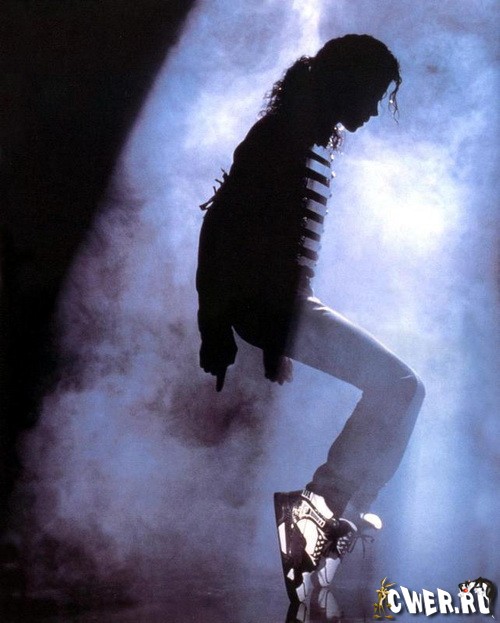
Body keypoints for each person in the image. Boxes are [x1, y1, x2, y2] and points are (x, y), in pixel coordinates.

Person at [196, 34, 425, 603]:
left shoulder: (305, 137)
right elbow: (218, 228)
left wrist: (276, 334)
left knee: (401, 388)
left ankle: (330, 516)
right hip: (269, 305)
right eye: (372, 94)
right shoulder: (280, 137)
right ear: (346, 83)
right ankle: (323, 513)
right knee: (400, 386)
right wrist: (214, 324)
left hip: (281, 306)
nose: (375, 110)